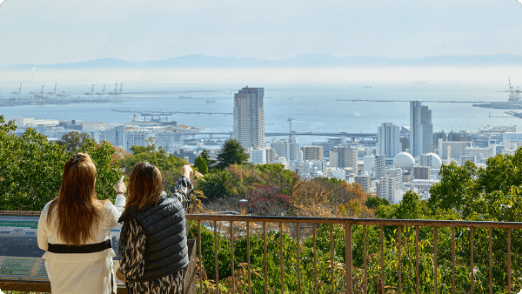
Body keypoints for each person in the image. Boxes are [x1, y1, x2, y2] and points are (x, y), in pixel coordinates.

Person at [37, 153, 127, 294]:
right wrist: (120, 193)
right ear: (91, 181)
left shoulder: (49, 210)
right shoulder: (104, 210)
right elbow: (122, 218)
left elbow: (42, 245)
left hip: (62, 288)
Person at [117, 163, 194, 294]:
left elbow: (133, 266)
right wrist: (185, 174)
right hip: (174, 283)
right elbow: (183, 193)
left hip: (146, 288)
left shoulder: (136, 219)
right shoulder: (175, 205)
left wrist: (122, 273)